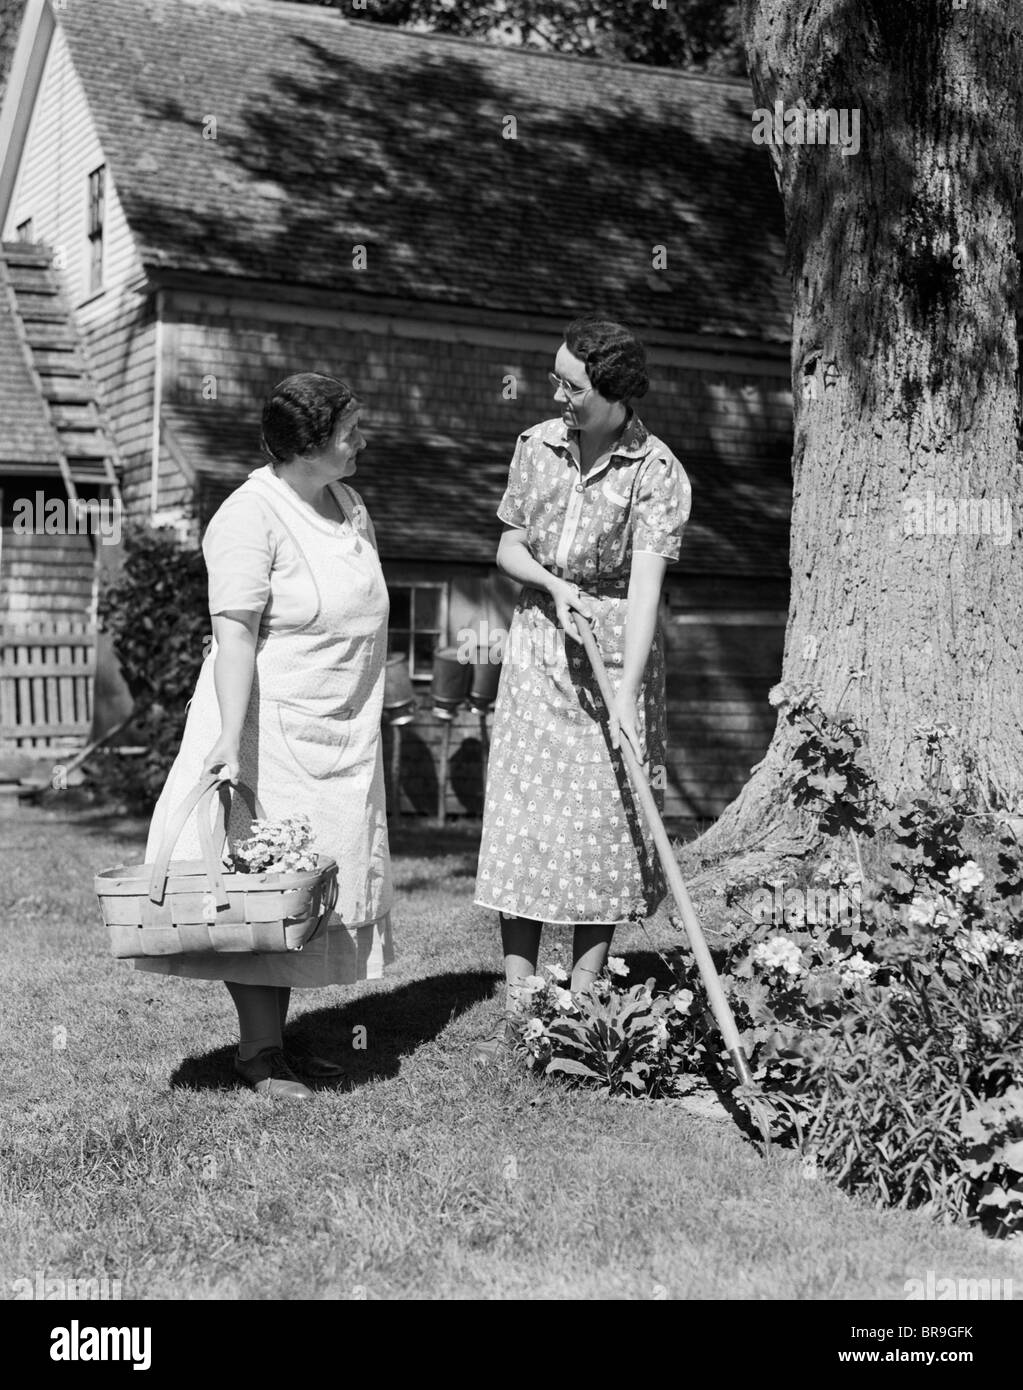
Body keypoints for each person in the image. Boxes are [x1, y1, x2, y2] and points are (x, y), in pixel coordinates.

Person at [137, 373, 394, 1100]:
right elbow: (235, 635)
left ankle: (273, 1044)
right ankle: (257, 1055)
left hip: (338, 727)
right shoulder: (249, 516)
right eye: (351, 431)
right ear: (308, 445)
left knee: (301, 897)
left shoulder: (348, 505)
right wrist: (227, 736)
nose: (363, 440)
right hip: (265, 729)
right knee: (257, 891)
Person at [473, 315, 691, 1060]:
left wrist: (627, 693)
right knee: (525, 812)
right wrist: (547, 584)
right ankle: (522, 995)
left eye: (571, 385)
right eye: (555, 379)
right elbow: (507, 544)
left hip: (613, 649)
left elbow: (645, 592)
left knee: (603, 816)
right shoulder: (534, 447)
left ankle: (589, 995)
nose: (556, 393)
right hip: (538, 642)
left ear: (614, 394)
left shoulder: (655, 472)